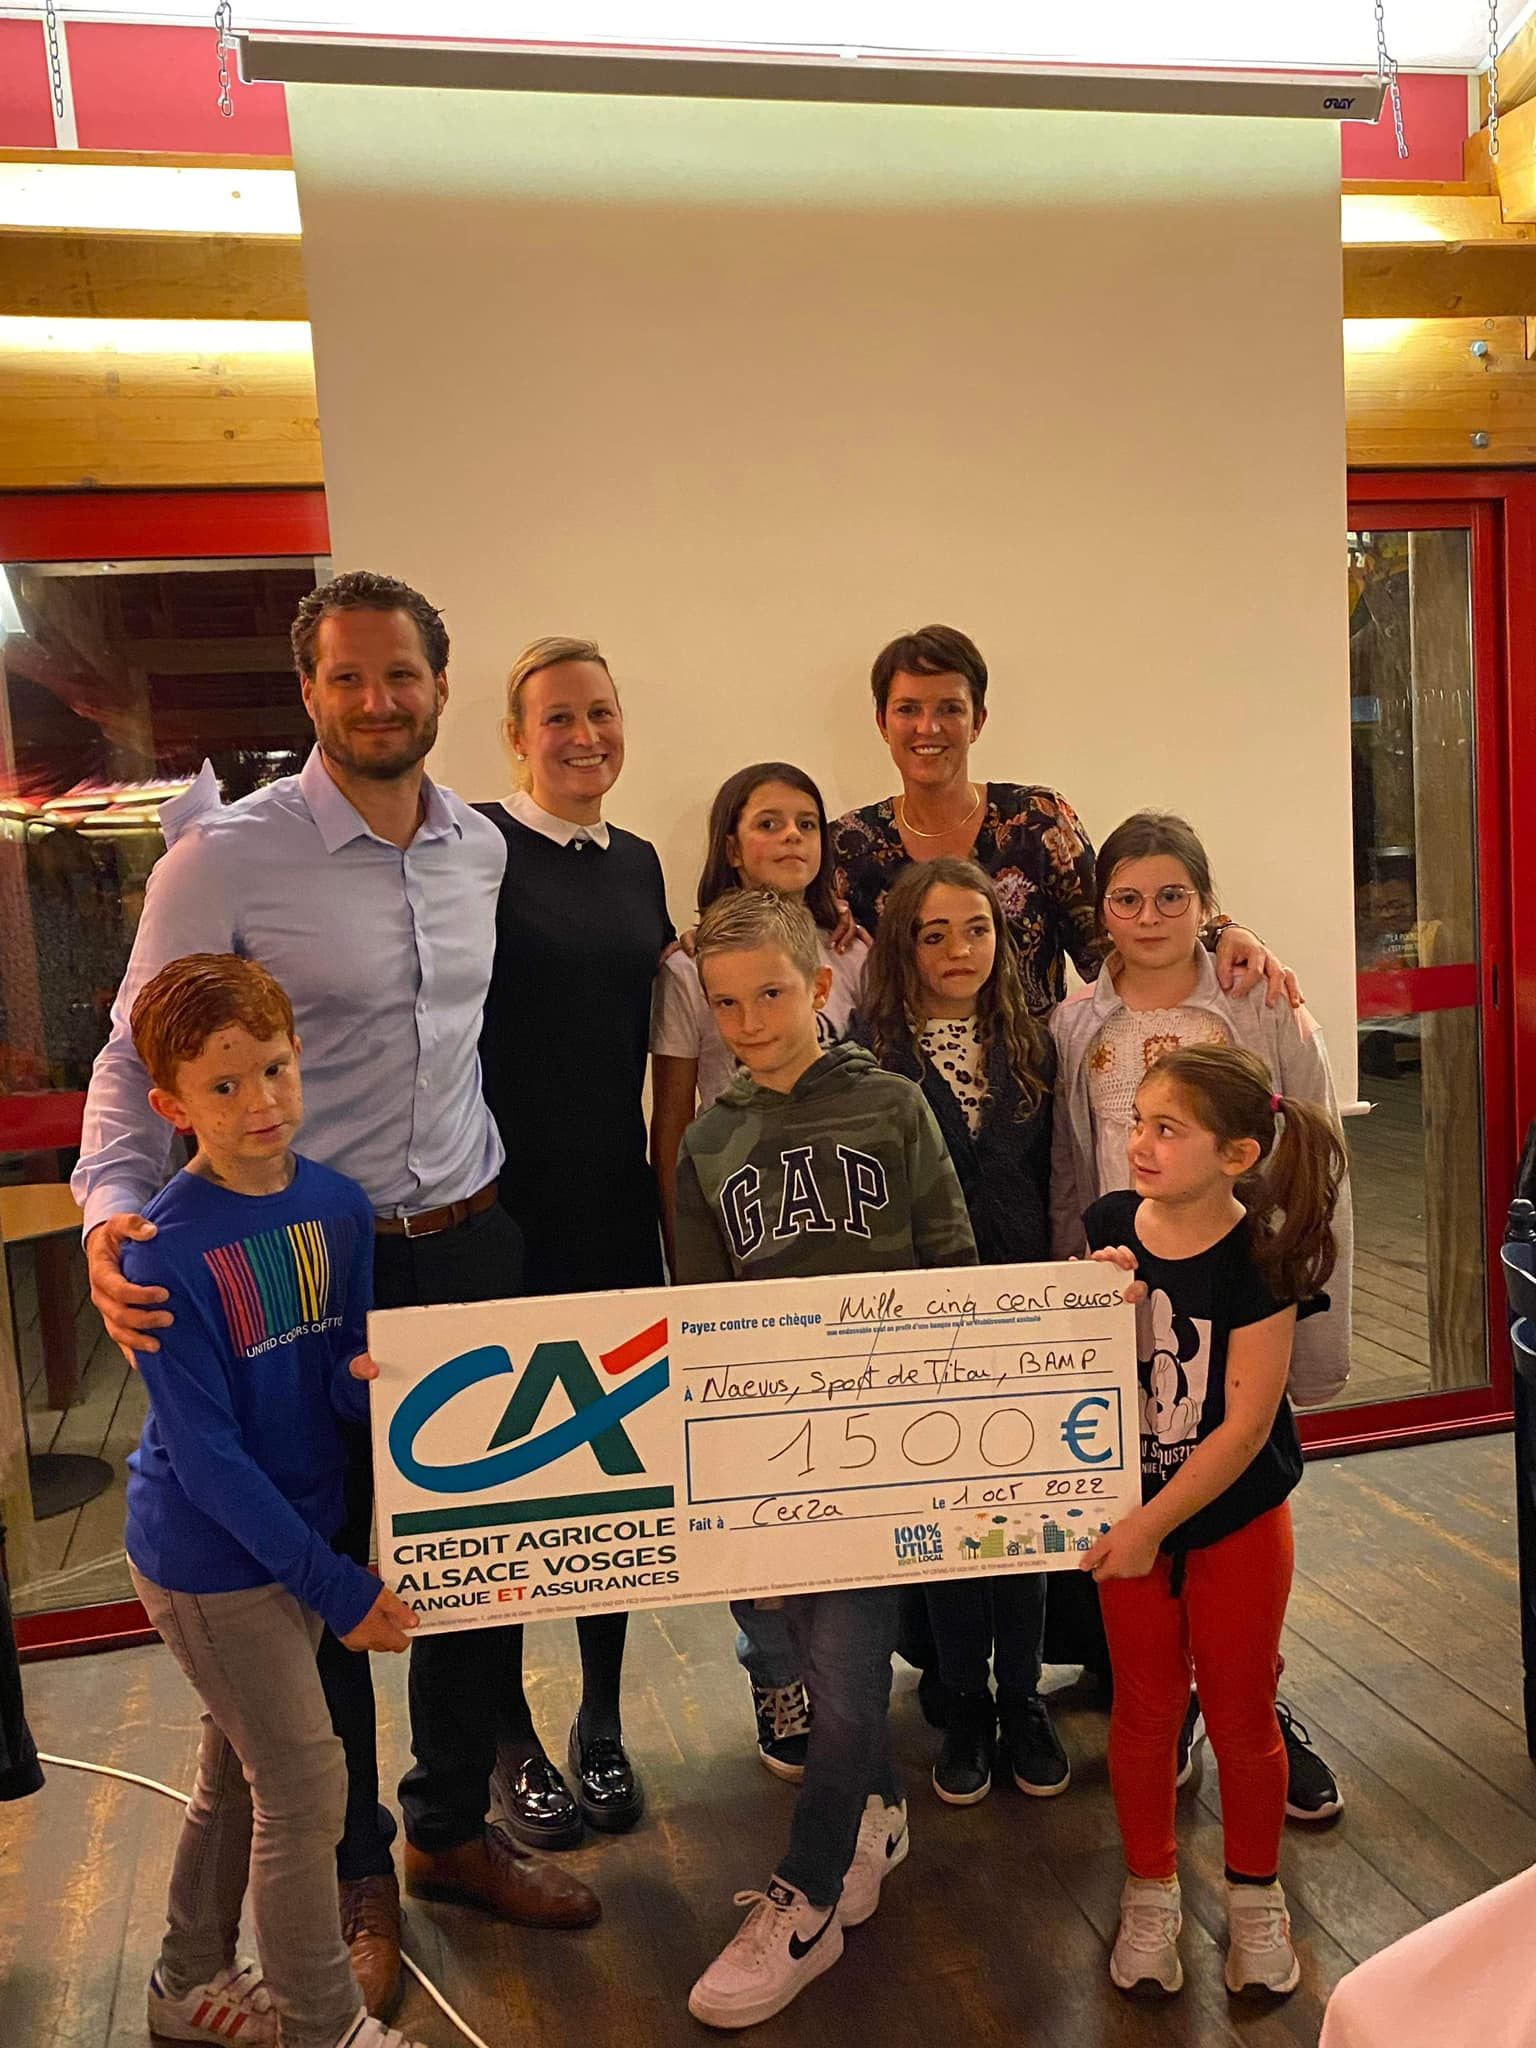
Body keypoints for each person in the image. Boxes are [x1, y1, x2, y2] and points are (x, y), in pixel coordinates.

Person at [72, 572, 597, 2015]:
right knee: (326, 1565)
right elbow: (130, 1053)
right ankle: (357, 1867)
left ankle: (451, 1830)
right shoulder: (224, 861)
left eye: (401, 675)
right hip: (307, 1265)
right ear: (308, 691)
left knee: (478, 1561)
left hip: (470, 1238)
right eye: (348, 678)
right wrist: (111, 1213)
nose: (377, 700)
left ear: (441, 687)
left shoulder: (480, 848)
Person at [672, 888, 978, 2030]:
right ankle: (878, 1816)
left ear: (818, 986)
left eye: (771, 994)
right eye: (725, 1004)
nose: (750, 1021)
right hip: (772, 1451)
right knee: (810, 1651)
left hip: (884, 1444)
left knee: (846, 1677)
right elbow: (700, 1316)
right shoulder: (707, 1141)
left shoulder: (893, 1105)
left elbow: (953, 1260)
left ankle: (805, 1896)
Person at [120, 952, 426, 2048]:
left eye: (275, 1070)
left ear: (301, 1060)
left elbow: (335, 1365)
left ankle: (185, 1980)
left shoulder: (339, 1206)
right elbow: (208, 1458)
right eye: (224, 1083)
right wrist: (336, 1586)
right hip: (211, 1559)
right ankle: (325, 2024)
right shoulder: (164, 1252)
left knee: (243, 1777)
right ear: (174, 1105)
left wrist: (367, 1390)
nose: (260, 1101)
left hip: (297, 1530)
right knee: (303, 1785)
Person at [1050, 809, 1351, 1821]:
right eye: (1127, 898)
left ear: (1206, 903)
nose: (1150, 916)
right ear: (1100, 911)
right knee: (1142, 1500)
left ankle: (1252, 1697)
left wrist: (1310, 1316)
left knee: (1240, 1501)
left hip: (1239, 1293)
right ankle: (1166, 1702)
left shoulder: (1260, 1001)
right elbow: (1069, 1169)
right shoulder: (1075, 1025)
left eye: (1173, 896)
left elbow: (1315, 1165)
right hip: (1129, 1292)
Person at [1079, 1042, 1347, 2000]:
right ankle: (1150, 1886)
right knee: (1145, 1709)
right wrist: (1095, 1300)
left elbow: (1243, 1427)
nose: (1140, 1144)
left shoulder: (1262, 1254)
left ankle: (1254, 1893)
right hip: (1130, 1524)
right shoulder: (1110, 1222)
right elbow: (1082, 1374)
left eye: (1168, 1129)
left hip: (1232, 1524)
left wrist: (1153, 1526)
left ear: (1236, 1155)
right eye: (1137, 1122)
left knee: (1239, 1712)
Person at [475, 636, 674, 1849]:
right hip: (500, 1213)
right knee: (501, 1482)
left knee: (610, 1481)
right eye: (558, 716)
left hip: (610, 1204)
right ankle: (507, 1735)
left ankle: (600, 1716)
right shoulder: (472, 847)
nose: (584, 735)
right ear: (515, 736)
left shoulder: (639, 861)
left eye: (601, 711)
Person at [650, 761, 864, 1780]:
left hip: (843, 1252)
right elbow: (672, 1117)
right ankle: (775, 1668)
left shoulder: (856, 948)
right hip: (739, 1249)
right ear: (730, 843)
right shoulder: (687, 964)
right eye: (766, 822)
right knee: (751, 1485)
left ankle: (847, 1676)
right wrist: (685, 1267)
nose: (790, 838)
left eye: (806, 822)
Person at [855, 856, 1067, 1805]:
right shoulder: (870, 1058)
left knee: (1023, 1525)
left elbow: (1060, 1169)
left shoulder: (1037, 1041)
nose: (958, 950)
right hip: (925, 1318)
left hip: (1028, 1308)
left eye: (976, 929)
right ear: (902, 946)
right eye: (934, 934)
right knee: (945, 1525)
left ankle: (1023, 1698)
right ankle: (963, 1702)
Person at [829, 623, 1292, 1015]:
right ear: (882, 723)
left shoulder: (1037, 822)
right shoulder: (850, 844)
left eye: (950, 708)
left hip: (1035, 1077)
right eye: (908, 709)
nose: (928, 727)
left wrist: (1225, 933)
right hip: (897, 1081)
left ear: (978, 721)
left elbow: (1115, 932)